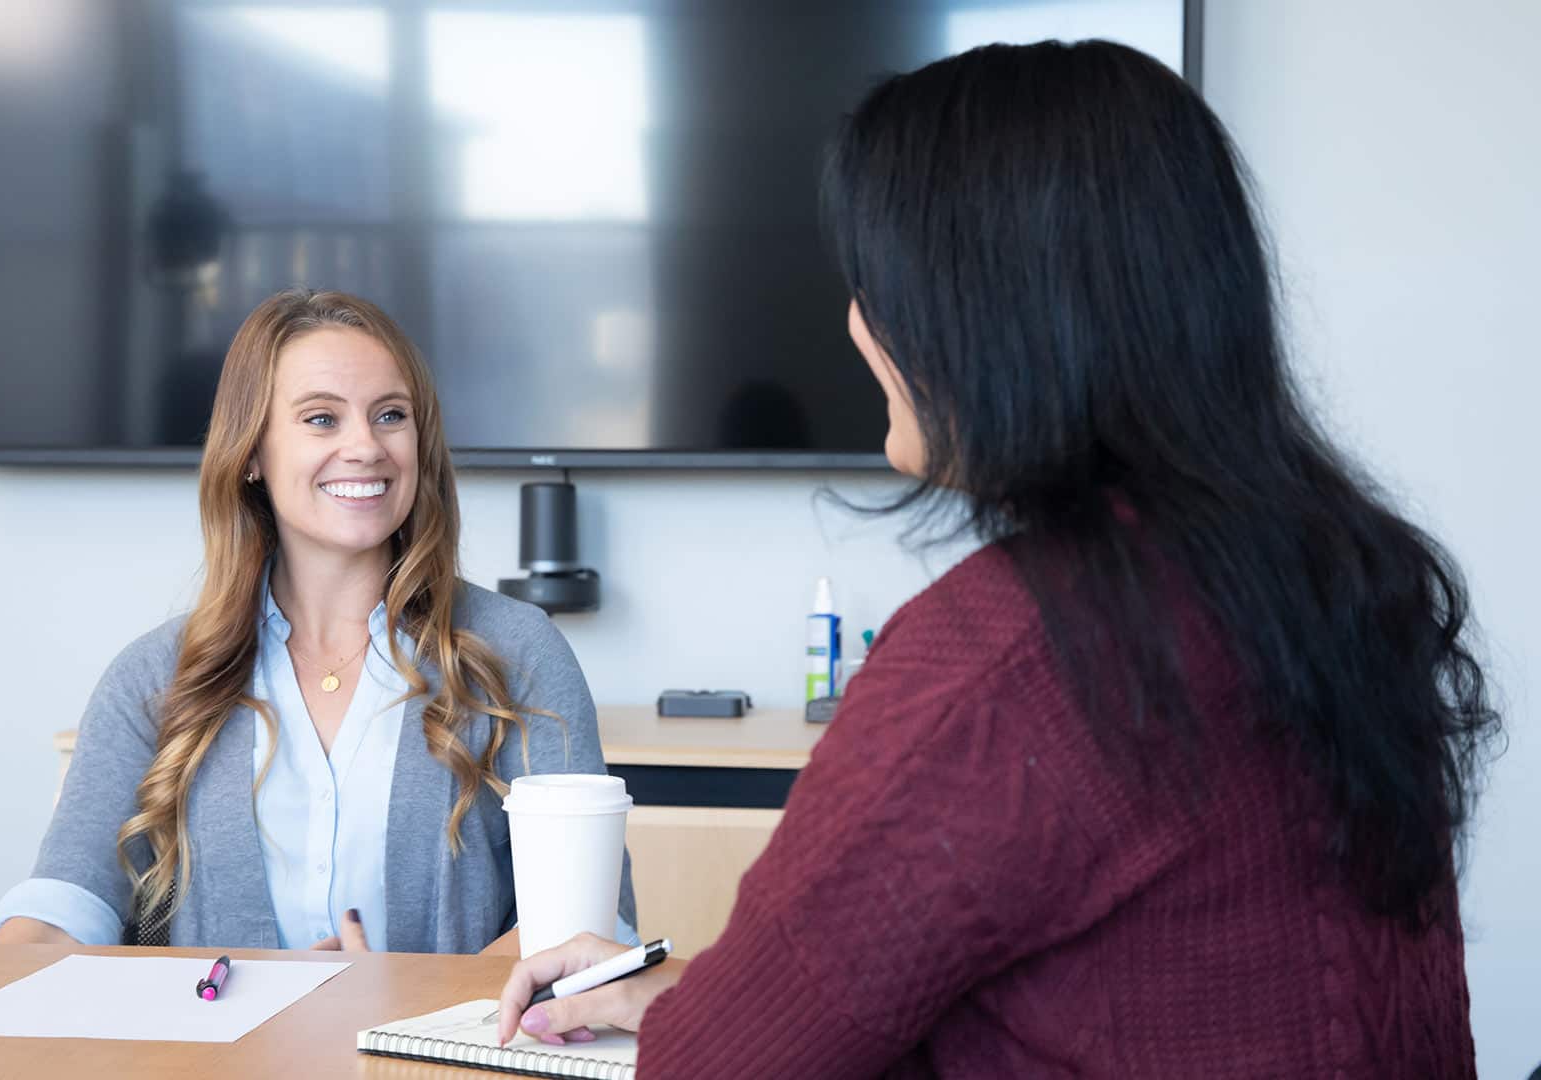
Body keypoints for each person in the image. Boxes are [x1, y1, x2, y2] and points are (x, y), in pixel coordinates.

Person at [496, 40, 1494, 1076]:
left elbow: (718, 1068)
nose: (856, 319)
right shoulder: (1342, 584)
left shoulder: (1012, 667)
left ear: (980, 314)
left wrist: (698, 1016)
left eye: (875, 279)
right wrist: (697, 997)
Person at [0, 288, 637, 953]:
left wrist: (404, 1007)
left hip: (442, 1057)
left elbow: (582, 922)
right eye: (322, 419)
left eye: (390, 414)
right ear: (251, 454)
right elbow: (63, 905)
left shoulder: (519, 652)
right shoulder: (153, 676)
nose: (366, 446)